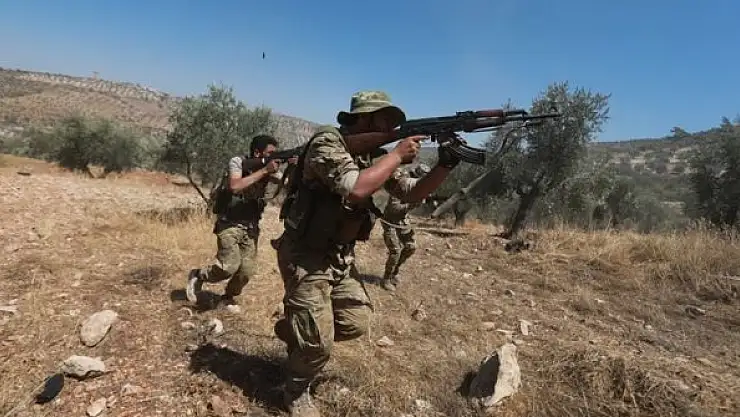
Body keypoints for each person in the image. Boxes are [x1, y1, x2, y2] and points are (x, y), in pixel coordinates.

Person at [271, 91, 461, 416]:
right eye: (385, 120)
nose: (391, 128)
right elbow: (355, 187)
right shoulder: (326, 143)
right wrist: (397, 154)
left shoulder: (373, 155)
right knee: (318, 345)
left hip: (339, 258)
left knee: (355, 321)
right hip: (306, 256)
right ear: (364, 118)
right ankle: (294, 391)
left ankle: (297, 331)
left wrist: (446, 164)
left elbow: (410, 193)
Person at [185, 134, 295, 312]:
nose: (273, 157)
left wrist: (294, 167)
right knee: (228, 266)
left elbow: (289, 185)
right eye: (270, 153)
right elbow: (235, 186)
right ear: (257, 153)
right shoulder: (238, 162)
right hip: (230, 223)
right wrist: (264, 171)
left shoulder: (272, 171)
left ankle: (228, 297)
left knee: (247, 271)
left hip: (251, 227)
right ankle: (199, 275)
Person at [379, 162, 431, 291]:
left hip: (402, 220)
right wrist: (413, 204)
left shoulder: (416, 187)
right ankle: (386, 279)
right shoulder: (401, 184)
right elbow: (394, 208)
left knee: (411, 247)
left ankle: (394, 271)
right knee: (395, 251)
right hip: (390, 221)